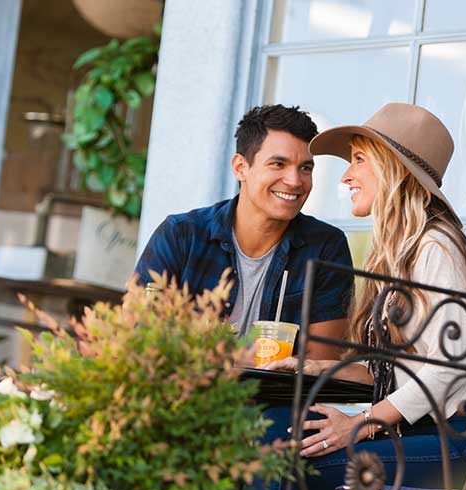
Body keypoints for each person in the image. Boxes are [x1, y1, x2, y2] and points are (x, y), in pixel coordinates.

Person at [257, 103, 466, 490]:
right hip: (426, 428)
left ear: (394, 168)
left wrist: (361, 423)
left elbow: (449, 368)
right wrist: (314, 367)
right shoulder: (401, 253)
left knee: (294, 469)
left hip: (464, 436)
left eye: (359, 159)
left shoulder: (437, 246)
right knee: (276, 433)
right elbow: (395, 370)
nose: (345, 175)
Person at [135, 105, 353, 360]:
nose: (294, 181)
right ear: (241, 167)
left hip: (278, 400)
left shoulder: (326, 247)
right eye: (278, 164)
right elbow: (140, 338)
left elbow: (321, 363)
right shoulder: (182, 235)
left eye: (305, 168)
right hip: (187, 396)